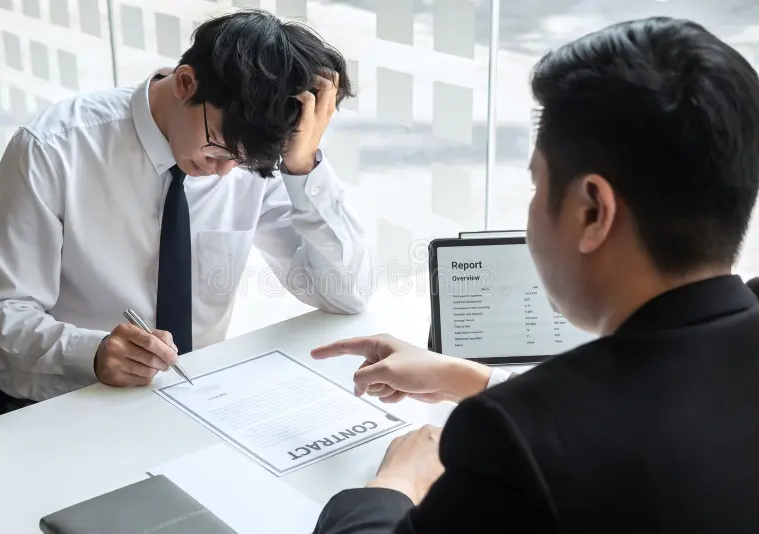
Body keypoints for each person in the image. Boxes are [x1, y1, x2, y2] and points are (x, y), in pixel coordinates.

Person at [310, 17, 759, 533]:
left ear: (592, 212)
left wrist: (395, 484)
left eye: (535, 186)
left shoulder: (515, 444)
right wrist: (473, 380)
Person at [0, 9, 372, 417]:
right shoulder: (53, 148)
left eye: (246, 162)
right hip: (61, 403)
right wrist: (92, 353)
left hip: (192, 402)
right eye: (220, 147)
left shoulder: (248, 155)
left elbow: (344, 293)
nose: (226, 170)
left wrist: (303, 166)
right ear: (186, 83)